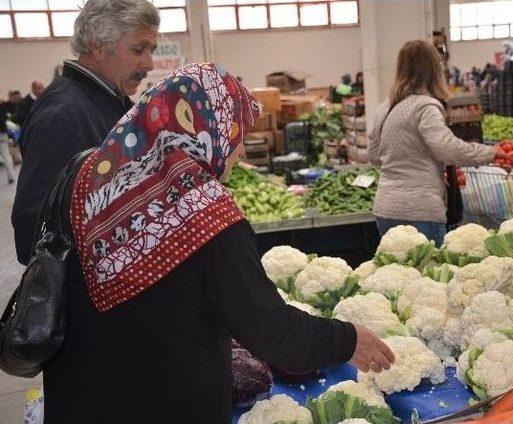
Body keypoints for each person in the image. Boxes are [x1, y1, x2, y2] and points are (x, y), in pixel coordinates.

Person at [43, 63, 394, 423]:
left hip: (80, 396)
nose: (241, 148)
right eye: (236, 129)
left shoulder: (85, 175)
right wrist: (348, 341)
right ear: (204, 127)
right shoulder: (204, 214)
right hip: (165, 402)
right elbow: (274, 334)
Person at [12, 0, 159, 265]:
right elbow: (31, 228)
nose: (149, 63)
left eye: (152, 49)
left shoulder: (110, 100)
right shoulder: (63, 116)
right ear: (98, 46)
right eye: (139, 49)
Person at [368, 40, 507, 247]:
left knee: (400, 272)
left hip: (386, 209)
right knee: (430, 275)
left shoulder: (385, 108)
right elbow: (447, 149)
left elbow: (374, 155)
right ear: (434, 69)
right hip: (420, 210)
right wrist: (490, 152)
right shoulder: (425, 106)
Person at [0, 91, 21, 183]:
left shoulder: (4, 104)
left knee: (7, 154)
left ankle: (11, 175)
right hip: (3, 132)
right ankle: (11, 176)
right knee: (6, 155)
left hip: (4, 133)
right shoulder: (3, 104)